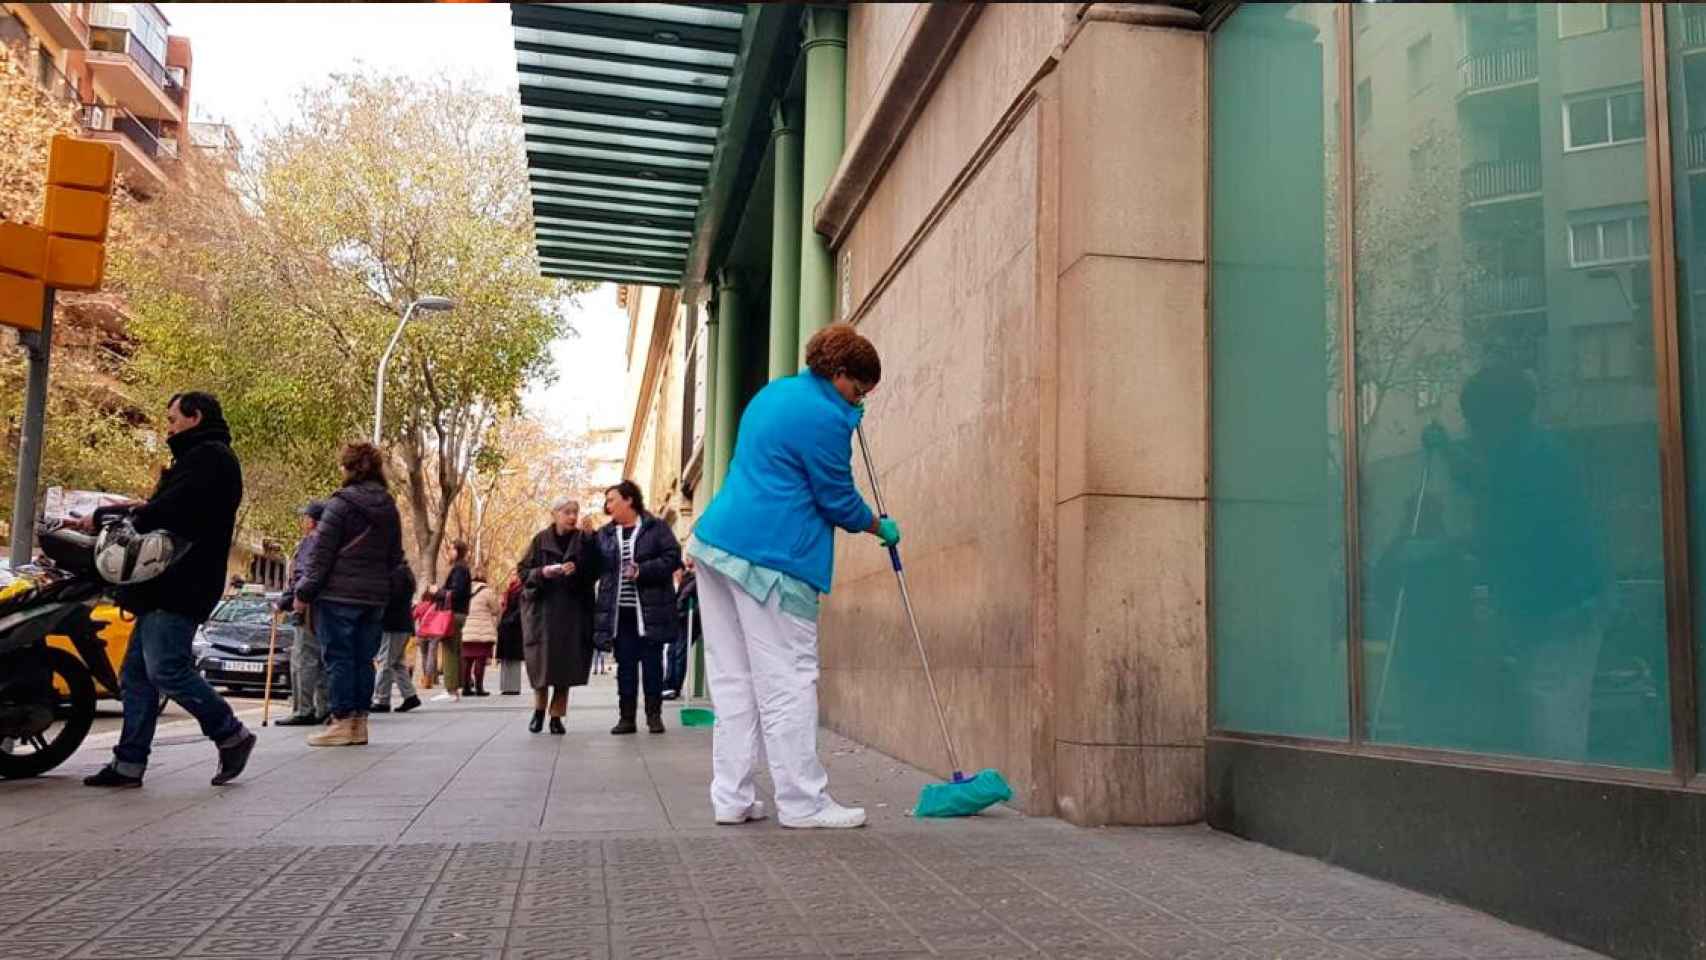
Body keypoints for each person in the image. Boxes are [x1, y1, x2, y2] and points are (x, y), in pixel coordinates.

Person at [687, 323, 900, 829]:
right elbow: (836, 499)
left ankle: (732, 798)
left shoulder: (775, 392)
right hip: (774, 559)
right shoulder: (826, 416)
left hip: (717, 544)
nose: (860, 401)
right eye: (858, 390)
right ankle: (803, 802)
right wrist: (877, 525)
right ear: (840, 374)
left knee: (734, 680)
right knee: (789, 680)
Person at [1422, 365, 1609, 761]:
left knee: (1552, 728)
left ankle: (1560, 809)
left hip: (1561, 616)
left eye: (1476, 421)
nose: (1472, 430)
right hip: (1558, 612)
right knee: (1550, 721)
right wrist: (1444, 449)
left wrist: (1445, 551)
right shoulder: (1525, 452)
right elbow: (1483, 480)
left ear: (1499, 418)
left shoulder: (1530, 463)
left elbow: (1507, 535)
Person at [85, 391, 257, 789]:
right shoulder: (201, 457)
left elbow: (172, 511)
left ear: (195, 417)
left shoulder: (209, 458)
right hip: (167, 583)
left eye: (173, 419)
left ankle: (231, 733)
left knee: (166, 668)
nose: (169, 428)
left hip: (181, 582)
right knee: (137, 676)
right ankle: (128, 763)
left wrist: (124, 514)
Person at [295, 441, 405, 748]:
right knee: (363, 659)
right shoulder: (389, 506)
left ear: (349, 468)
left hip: (339, 595)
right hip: (374, 598)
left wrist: (303, 593)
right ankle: (359, 723)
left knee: (339, 658)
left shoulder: (340, 505)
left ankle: (342, 721)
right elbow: (395, 557)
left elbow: (321, 555)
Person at [595, 481, 682, 736]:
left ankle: (654, 716)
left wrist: (643, 571)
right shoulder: (606, 534)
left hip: (650, 611)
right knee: (626, 666)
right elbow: (596, 565)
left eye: (612, 500)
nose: (607, 505)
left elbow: (672, 558)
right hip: (619, 614)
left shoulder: (656, 528)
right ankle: (626, 718)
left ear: (629, 500)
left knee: (653, 664)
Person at [518, 498, 600, 734]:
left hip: (573, 613)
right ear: (555, 514)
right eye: (567, 512)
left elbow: (595, 571)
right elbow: (523, 572)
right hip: (543, 613)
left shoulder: (583, 540)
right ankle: (538, 711)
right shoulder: (540, 540)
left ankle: (557, 716)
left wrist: (581, 563)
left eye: (575, 512)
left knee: (566, 666)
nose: (572, 517)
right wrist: (543, 572)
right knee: (542, 666)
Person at [275, 501, 329, 727]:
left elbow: (303, 575)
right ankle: (322, 707)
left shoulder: (311, 543)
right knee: (319, 660)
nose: (303, 522)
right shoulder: (327, 543)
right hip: (321, 609)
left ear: (313, 521)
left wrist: (286, 601)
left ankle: (304, 709)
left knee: (303, 660)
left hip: (307, 609)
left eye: (306, 518)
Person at [372, 557, 422, 713]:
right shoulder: (403, 572)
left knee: (385, 661)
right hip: (401, 624)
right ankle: (410, 696)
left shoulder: (395, 573)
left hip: (393, 624)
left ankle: (382, 699)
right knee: (396, 663)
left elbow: (392, 598)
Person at [437, 542, 472, 700]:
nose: (448, 552)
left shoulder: (458, 569)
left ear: (457, 551)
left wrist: (437, 592)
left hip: (453, 613)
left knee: (450, 650)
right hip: (459, 613)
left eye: (451, 549)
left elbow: (456, 592)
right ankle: (455, 688)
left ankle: (451, 689)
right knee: (455, 649)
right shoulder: (463, 568)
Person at [460, 567, 500, 697]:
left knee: (467, 659)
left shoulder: (464, 590)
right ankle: (479, 687)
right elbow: (495, 609)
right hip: (483, 631)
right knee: (480, 660)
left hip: (466, 629)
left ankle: (466, 687)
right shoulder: (487, 591)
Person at [662, 561, 698, 700]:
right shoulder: (683, 583)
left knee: (679, 654)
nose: (675, 576)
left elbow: (689, 603)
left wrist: (683, 614)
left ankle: (675, 687)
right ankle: (668, 684)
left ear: (682, 570)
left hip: (688, 622)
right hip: (679, 621)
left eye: (676, 573)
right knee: (671, 651)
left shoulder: (693, 582)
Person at [495, 570, 526, 695]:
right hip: (506, 627)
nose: (512, 577)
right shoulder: (509, 590)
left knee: (513, 658)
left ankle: (513, 687)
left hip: (514, 628)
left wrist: (510, 619)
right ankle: (506, 686)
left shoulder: (520, 590)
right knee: (506, 658)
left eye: (514, 575)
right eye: (511, 575)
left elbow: (521, 609)